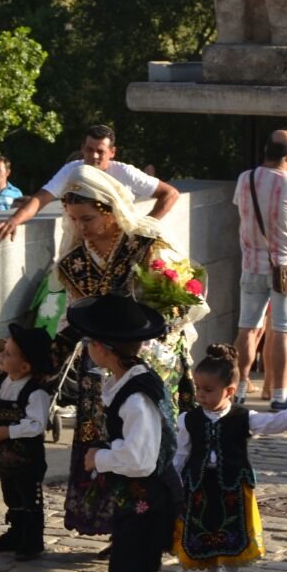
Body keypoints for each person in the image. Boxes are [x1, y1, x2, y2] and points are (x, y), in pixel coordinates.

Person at [51, 164, 198, 540]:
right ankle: (122, 525)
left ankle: (164, 521)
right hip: (100, 364)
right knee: (106, 437)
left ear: (109, 209)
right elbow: (75, 315)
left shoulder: (146, 244)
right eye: (73, 219)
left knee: (149, 440)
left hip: (151, 360)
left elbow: (183, 298)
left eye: (87, 218)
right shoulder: (74, 263)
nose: (80, 227)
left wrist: (157, 332)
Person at [69, 294, 192, 572]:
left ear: (103, 348)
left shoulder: (137, 396)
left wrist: (98, 458)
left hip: (150, 502)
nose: (87, 349)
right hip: (136, 501)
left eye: (89, 342)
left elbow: (140, 460)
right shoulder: (124, 382)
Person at [173, 344, 287, 572]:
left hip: (232, 483)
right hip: (199, 483)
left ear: (229, 391)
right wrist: (174, 480)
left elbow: (273, 424)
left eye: (208, 390)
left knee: (232, 528)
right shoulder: (188, 420)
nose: (200, 395)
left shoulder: (244, 417)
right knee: (205, 530)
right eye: (198, 388)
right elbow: (181, 453)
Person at [233, 130, 287, 411]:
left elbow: (240, 209)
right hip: (286, 266)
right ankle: (280, 395)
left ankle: (239, 387)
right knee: (282, 330)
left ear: (266, 150)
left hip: (251, 263)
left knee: (247, 328)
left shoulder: (245, 179)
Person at [0, 124, 179, 240]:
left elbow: (170, 194)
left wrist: (144, 226)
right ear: (82, 148)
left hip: (122, 244)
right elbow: (41, 198)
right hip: (83, 246)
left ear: (112, 152)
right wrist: (14, 220)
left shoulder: (125, 172)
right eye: (89, 150)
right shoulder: (71, 170)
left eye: (101, 151)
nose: (94, 156)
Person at [0, 325, 56, 561]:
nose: (1, 355)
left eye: (8, 353)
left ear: (25, 366)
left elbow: (37, 424)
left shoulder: (35, 392)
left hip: (28, 459)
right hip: (5, 457)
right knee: (11, 494)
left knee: (29, 497)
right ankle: (16, 531)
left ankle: (32, 539)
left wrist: (9, 431)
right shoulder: (0, 382)